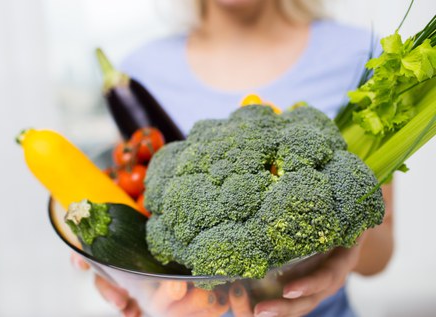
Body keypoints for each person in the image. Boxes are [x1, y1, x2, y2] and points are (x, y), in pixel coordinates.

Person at [73, 0, 395, 316]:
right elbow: (133, 201)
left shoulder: (358, 54)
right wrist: (124, 275)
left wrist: (344, 248)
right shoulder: (139, 70)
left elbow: (382, 250)